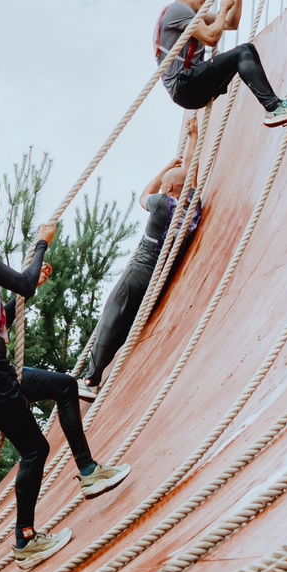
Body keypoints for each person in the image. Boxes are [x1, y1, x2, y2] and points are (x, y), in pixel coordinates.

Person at [0, 211, 131, 568]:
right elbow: (23, 284)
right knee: (34, 450)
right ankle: (25, 538)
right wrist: (42, 242)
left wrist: (33, 285)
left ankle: (88, 471)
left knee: (63, 385)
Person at [80, 159, 202, 396]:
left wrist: (164, 169)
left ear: (168, 189)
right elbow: (192, 183)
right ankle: (94, 377)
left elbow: (144, 194)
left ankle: (91, 379)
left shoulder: (161, 203)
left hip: (140, 271)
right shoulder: (194, 208)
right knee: (127, 327)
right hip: (160, 279)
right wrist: (194, 140)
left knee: (111, 318)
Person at [155, 0, 287, 127]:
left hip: (191, 89)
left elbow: (231, 23)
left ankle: (275, 106)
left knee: (248, 49)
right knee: (242, 51)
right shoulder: (177, 9)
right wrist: (223, 7)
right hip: (184, 86)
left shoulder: (193, 15)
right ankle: (274, 108)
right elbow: (210, 38)